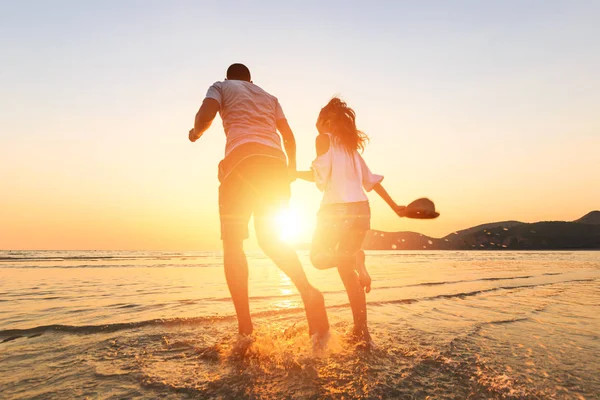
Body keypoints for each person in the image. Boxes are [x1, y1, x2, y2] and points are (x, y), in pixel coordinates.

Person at [188, 63, 329, 340]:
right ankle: (308, 292)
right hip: (274, 164)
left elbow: (205, 115)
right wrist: (289, 169)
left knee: (233, 243)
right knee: (270, 239)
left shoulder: (221, 86)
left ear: (230, 77)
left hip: (241, 162)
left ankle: (245, 329)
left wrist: (196, 133)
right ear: (252, 80)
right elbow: (288, 136)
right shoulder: (269, 97)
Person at [296, 97, 406, 346]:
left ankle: (356, 257)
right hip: (361, 211)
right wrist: (395, 207)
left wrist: (289, 174)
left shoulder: (323, 139)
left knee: (317, 258)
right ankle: (362, 333)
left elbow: (319, 178)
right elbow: (372, 182)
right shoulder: (351, 150)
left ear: (325, 120)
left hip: (335, 211)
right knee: (348, 275)